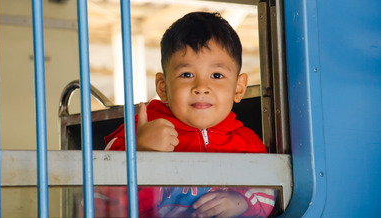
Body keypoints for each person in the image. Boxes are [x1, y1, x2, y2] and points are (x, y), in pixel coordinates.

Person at [93, 12, 275, 217]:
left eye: (217, 75)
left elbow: (270, 194)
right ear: (163, 87)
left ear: (238, 88)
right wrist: (143, 152)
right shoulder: (139, 132)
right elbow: (101, 201)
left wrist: (241, 203)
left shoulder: (248, 143)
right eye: (187, 75)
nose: (201, 87)